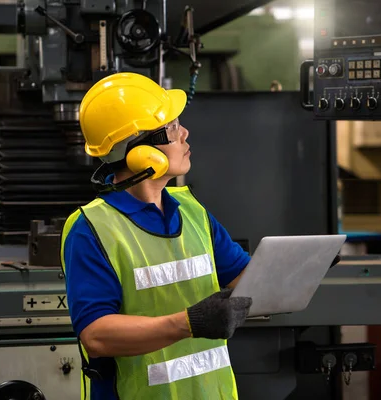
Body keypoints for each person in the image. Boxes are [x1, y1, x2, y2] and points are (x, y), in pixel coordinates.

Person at [60, 72, 253, 400]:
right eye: (173, 127)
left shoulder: (191, 212)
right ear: (140, 153)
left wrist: (296, 266)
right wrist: (187, 323)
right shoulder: (91, 229)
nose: (185, 133)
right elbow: (96, 336)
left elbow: (247, 280)